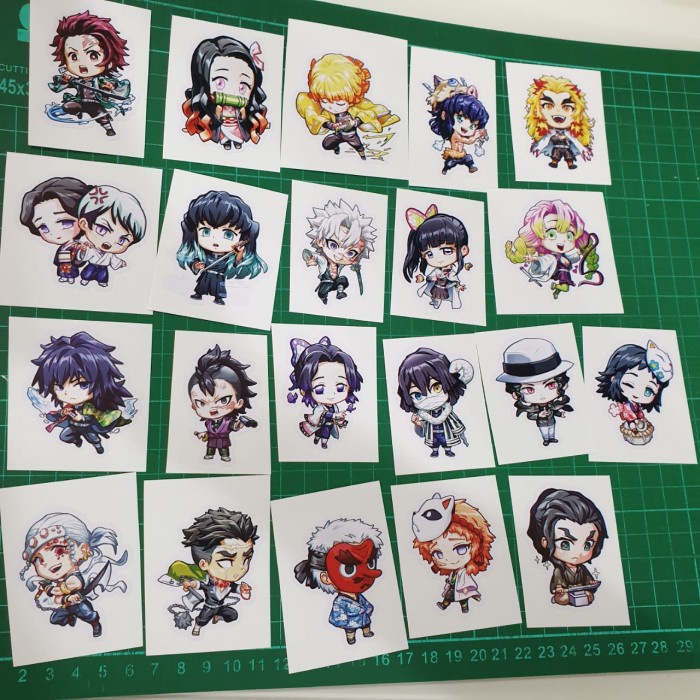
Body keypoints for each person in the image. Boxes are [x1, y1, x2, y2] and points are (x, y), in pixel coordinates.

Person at [20, 512, 128, 636]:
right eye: (39, 560)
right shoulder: (56, 582)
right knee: (55, 619)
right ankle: (71, 617)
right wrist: (56, 594)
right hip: (66, 606)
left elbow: (68, 587)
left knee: (89, 615)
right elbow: (57, 599)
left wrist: (50, 589)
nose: (48, 563)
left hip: (79, 604)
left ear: (83, 550)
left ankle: (95, 624)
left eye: (59, 550)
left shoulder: (74, 578)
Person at [28, 331, 136, 454]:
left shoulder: (92, 406)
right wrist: (64, 412)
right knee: (64, 436)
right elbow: (56, 415)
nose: (68, 393)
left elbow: (95, 416)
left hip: (88, 427)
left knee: (93, 439)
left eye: (82, 385)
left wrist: (82, 418)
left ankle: (98, 447)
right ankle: (77, 441)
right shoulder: (69, 406)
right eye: (59, 386)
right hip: (74, 426)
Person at [161, 508, 258, 636]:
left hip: (221, 607)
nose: (240, 569)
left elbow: (235, 588)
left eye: (246, 559)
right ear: (204, 564)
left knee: (233, 615)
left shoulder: (229, 583)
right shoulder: (209, 581)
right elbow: (199, 584)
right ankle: (197, 626)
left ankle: (218, 617)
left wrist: (242, 589)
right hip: (210, 607)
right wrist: (190, 584)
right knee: (202, 619)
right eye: (226, 562)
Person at [294, 518, 383, 644]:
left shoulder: (359, 596)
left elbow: (366, 605)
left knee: (366, 625)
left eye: (370, 563)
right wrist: (342, 622)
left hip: (363, 619)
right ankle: (351, 637)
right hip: (350, 623)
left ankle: (366, 632)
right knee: (350, 631)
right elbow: (338, 613)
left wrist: (368, 610)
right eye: (349, 568)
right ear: (326, 578)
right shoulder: (340, 601)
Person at [296, 53, 399, 160]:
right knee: (326, 144)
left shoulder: (354, 110)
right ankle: (336, 147)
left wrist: (355, 122)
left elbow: (366, 115)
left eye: (340, 104)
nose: (331, 107)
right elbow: (322, 119)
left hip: (351, 135)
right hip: (338, 135)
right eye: (324, 101)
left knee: (358, 145)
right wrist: (331, 125)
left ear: (353, 99)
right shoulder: (328, 113)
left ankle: (362, 155)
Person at [47, 11, 132, 136]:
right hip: (80, 102)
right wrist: (65, 80)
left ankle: (109, 129)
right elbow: (59, 85)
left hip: (95, 104)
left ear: (109, 61)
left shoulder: (100, 80)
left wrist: (111, 87)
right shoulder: (77, 80)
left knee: (101, 116)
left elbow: (116, 86)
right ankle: (78, 113)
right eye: (73, 56)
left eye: (93, 55)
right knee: (68, 106)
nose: (82, 64)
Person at [176, 190, 267, 306]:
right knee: (202, 285)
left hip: (219, 276)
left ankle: (218, 298)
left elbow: (236, 262)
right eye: (206, 231)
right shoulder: (203, 254)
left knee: (218, 288)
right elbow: (195, 261)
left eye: (228, 234)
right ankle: (198, 294)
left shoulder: (230, 254)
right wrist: (197, 265)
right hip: (207, 272)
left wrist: (240, 252)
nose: (215, 239)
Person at [182, 35, 269, 150]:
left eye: (243, 87)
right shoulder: (211, 108)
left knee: (237, 135)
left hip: (236, 125)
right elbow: (214, 123)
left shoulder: (243, 107)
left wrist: (243, 117)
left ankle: (237, 143)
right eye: (220, 83)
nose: (232, 92)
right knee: (224, 135)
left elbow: (245, 123)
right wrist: (217, 116)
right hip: (223, 125)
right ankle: (226, 143)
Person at [505, 199, 602, 299]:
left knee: (565, 286)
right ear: (537, 236)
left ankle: (556, 290)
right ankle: (556, 286)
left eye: (569, 236)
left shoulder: (567, 254)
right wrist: (533, 258)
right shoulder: (550, 257)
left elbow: (572, 259)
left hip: (563, 272)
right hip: (557, 271)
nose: (562, 242)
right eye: (551, 234)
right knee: (565, 285)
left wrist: (579, 252)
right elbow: (546, 260)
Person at [412, 494, 494, 613]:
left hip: (461, 589)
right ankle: (445, 605)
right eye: (437, 554)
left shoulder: (464, 572)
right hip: (453, 588)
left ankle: (464, 607)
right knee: (449, 597)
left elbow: (469, 582)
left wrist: (473, 592)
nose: (448, 559)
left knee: (462, 598)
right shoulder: (453, 572)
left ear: (477, 547)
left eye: (460, 549)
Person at [527, 488, 607, 606]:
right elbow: (558, 582)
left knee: (589, 596)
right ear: (545, 542)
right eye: (565, 544)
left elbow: (588, 580)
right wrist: (559, 587)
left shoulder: (582, 569)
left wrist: (591, 583)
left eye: (588, 544)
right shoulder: (560, 570)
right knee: (563, 598)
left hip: (580, 589)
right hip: (567, 591)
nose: (578, 553)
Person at [287, 336, 363, 449]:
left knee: (325, 436)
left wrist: (340, 421)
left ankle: (323, 443)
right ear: (304, 390)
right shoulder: (319, 408)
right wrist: (335, 415)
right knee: (319, 434)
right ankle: (317, 440)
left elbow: (335, 418)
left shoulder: (335, 407)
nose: (331, 395)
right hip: (319, 427)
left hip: (328, 427)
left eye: (340, 387)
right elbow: (324, 414)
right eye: (320, 389)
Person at [496, 338, 573, 446]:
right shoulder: (533, 408)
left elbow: (555, 411)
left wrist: (560, 414)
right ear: (515, 394)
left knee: (552, 429)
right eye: (529, 389)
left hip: (551, 422)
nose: (542, 395)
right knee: (544, 431)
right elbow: (530, 415)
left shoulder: (552, 405)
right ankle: (546, 439)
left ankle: (551, 438)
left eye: (550, 385)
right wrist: (539, 415)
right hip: (541, 423)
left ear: (563, 385)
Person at [397, 348, 473, 457]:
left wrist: (461, 432)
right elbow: (422, 430)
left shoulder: (447, 408)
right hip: (432, 433)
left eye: (436, 388)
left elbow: (455, 422)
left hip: (446, 431)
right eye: (418, 395)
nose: (430, 399)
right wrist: (417, 423)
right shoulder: (424, 413)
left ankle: (448, 450)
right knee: (434, 442)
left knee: (446, 440)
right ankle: (435, 450)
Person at [188, 344, 258, 461]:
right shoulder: (208, 422)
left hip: (223, 440)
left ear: (239, 402)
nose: (212, 408)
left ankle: (224, 456)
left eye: (223, 400)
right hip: (211, 440)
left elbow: (233, 426)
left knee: (223, 449)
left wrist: (239, 424)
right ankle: (210, 454)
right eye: (201, 403)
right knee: (210, 448)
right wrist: (203, 434)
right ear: (194, 406)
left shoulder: (227, 421)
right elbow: (209, 432)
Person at [596, 340, 673, 445]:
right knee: (632, 423)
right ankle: (633, 429)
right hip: (630, 419)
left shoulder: (636, 405)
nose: (637, 393)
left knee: (639, 422)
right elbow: (628, 414)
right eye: (629, 384)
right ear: (613, 378)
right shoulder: (626, 405)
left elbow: (639, 412)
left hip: (636, 419)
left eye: (648, 391)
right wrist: (634, 420)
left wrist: (640, 417)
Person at [302, 199, 376, 305]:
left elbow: (352, 262)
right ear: (320, 241)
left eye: (350, 253)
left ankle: (340, 292)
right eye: (333, 245)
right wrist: (310, 259)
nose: (340, 255)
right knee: (322, 293)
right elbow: (308, 253)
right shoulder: (323, 261)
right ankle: (324, 298)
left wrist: (355, 263)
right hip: (326, 282)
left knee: (343, 279)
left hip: (335, 282)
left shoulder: (340, 264)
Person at [20, 176, 92, 283]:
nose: (55, 232)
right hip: (63, 265)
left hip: (71, 264)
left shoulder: (78, 245)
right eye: (43, 227)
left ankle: (71, 278)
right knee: (63, 271)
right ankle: (65, 277)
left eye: (65, 222)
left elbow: (81, 259)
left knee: (71, 271)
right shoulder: (62, 248)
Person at [75, 185, 146, 288]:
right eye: (102, 230)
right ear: (84, 224)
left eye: (122, 240)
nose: (109, 243)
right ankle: (85, 280)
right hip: (92, 265)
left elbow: (114, 260)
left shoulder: (109, 255)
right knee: (87, 273)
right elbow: (82, 256)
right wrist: (82, 250)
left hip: (103, 267)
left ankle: (102, 282)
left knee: (103, 276)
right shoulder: (90, 248)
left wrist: (120, 263)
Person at [402, 205, 471, 310]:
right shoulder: (437, 271)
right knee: (436, 296)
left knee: (443, 296)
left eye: (447, 251)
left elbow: (455, 281)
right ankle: (436, 303)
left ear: (463, 250)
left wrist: (459, 286)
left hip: (446, 288)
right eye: (429, 254)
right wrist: (433, 278)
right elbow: (429, 277)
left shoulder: (452, 272)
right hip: (437, 287)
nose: (438, 259)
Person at [525, 75, 593, 169]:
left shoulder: (570, 134)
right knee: (555, 155)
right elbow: (544, 141)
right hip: (556, 147)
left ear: (579, 113)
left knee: (569, 156)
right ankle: (554, 162)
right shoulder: (549, 133)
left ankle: (570, 164)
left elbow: (575, 140)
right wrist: (538, 147)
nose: (557, 111)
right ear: (536, 111)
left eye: (567, 107)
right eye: (548, 106)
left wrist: (583, 149)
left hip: (567, 148)